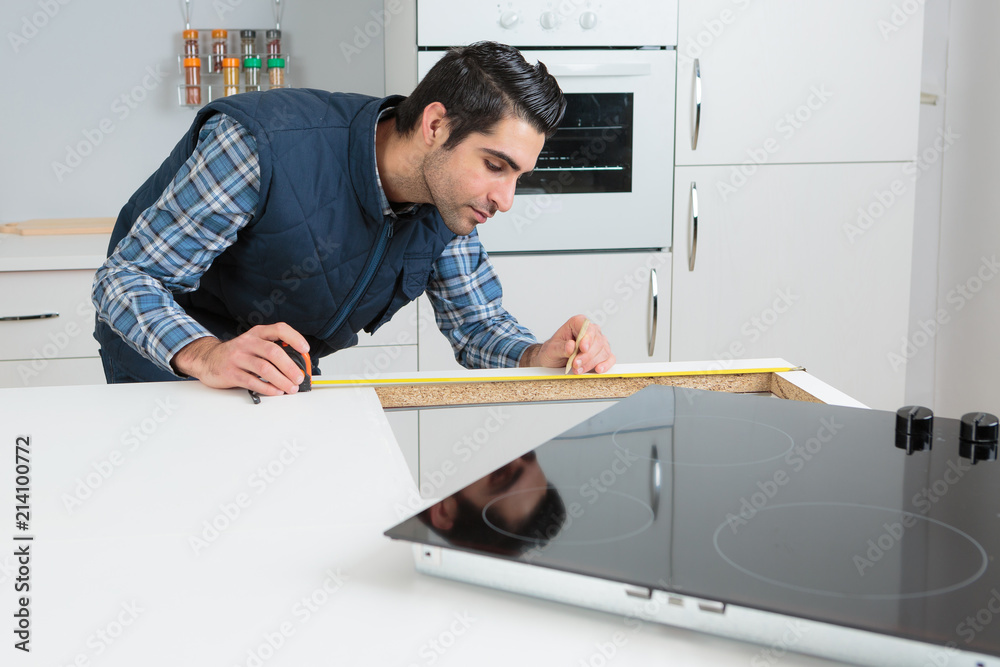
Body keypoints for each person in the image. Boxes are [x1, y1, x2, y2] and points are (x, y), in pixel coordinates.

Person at [92, 41, 615, 396]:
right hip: (168, 353)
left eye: (518, 175)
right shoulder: (262, 145)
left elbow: (476, 324)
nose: (506, 198)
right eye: (495, 165)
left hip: (276, 365)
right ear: (435, 125)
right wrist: (206, 354)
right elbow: (128, 279)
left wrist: (536, 357)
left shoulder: (449, 203)